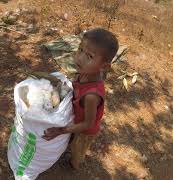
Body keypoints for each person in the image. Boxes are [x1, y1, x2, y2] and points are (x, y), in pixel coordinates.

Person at [42, 28, 119, 170]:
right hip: (76, 121)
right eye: (80, 49)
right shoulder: (83, 73)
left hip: (85, 131)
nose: (79, 57)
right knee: (71, 140)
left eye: (89, 56)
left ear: (104, 66)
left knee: (77, 149)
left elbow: (88, 124)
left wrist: (61, 130)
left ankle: (74, 165)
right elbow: (74, 87)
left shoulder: (91, 96)